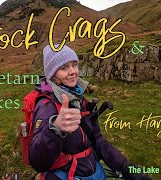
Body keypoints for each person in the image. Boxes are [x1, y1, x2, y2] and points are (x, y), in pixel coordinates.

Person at [28, 44, 152, 180]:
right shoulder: (47, 106)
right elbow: (37, 162)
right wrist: (55, 129)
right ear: (52, 74)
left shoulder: (77, 98)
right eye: (64, 68)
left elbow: (97, 141)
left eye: (74, 65)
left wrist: (127, 169)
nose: (73, 71)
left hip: (91, 172)